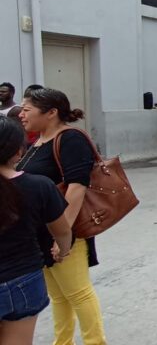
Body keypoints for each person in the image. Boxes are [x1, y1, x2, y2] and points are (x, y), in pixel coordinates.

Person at [16, 88, 107, 345]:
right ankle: (62, 342)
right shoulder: (37, 141)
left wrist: (62, 234)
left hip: (66, 231)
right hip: (40, 231)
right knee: (58, 296)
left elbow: (77, 187)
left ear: (52, 112)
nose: (21, 114)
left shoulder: (70, 139)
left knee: (78, 293)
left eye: (27, 109)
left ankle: (95, 342)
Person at [0, 116, 73, 345]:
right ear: (18, 152)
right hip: (23, 279)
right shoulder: (39, 185)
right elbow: (62, 231)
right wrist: (62, 250)